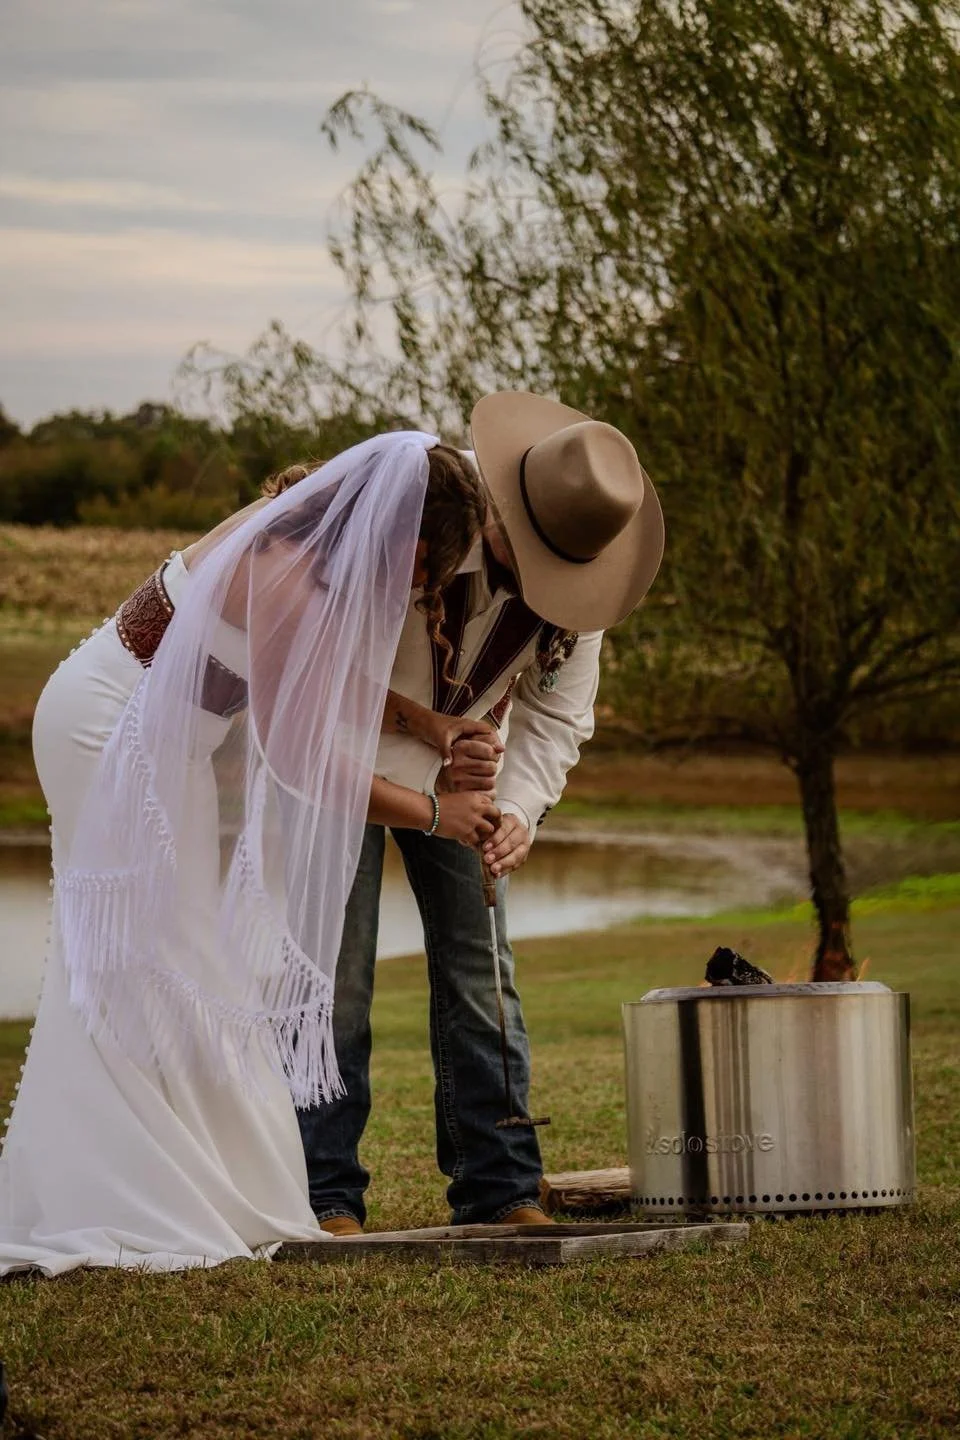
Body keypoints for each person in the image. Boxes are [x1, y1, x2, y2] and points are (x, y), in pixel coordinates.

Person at [0, 432, 497, 1276]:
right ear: (407, 547)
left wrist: (429, 723)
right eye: (424, 579)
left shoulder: (297, 535)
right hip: (107, 735)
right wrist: (434, 814)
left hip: (163, 749)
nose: (417, 597)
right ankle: (128, 1191)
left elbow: (303, 682)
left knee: (159, 962)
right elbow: (300, 755)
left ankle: (187, 1181)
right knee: (147, 959)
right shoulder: (290, 577)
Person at [297, 391, 664, 1233]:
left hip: (469, 786)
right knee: (335, 979)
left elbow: (556, 716)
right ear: (501, 506)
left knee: (482, 976)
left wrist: (519, 814)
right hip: (343, 768)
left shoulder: (584, 581)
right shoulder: (412, 531)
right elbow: (318, 682)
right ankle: (324, 1195)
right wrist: (423, 739)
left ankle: (499, 1191)